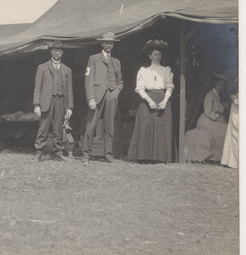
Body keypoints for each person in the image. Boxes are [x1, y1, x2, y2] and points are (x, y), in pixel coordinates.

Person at [127, 39, 174, 162]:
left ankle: (162, 158)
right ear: (150, 56)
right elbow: (140, 88)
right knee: (145, 126)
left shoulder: (166, 70)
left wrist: (164, 101)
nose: (157, 57)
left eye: (159, 54)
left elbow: (169, 86)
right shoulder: (144, 71)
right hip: (147, 101)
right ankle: (144, 157)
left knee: (161, 127)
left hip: (163, 100)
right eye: (155, 54)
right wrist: (149, 101)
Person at [81, 32, 123, 165]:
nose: (109, 45)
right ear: (102, 43)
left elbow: (120, 80)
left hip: (111, 97)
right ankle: (86, 154)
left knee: (109, 127)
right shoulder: (93, 59)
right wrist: (91, 98)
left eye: (111, 43)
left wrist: (116, 91)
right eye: (107, 42)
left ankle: (108, 155)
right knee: (90, 126)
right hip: (96, 96)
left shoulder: (116, 62)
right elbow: (88, 79)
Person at [33, 40, 73, 162]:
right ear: (51, 51)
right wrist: (36, 105)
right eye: (55, 50)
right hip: (46, 101)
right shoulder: (42, 67)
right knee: (43, 128)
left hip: (61, 102)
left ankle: (59, 152)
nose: (57, 52)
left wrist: (70, 107)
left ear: (62, 52)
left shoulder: (67, 70)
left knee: (58, 128)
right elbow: (37, 87)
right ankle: (39, 153)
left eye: (59, 50)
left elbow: (69, 91)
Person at [185, 74, 228, 162]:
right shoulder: (210, 94)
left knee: (226, 128)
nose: (221, 87)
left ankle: (224, 156)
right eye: (220, 85)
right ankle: (218, 156)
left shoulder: (217, 95)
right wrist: (218, 118)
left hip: (214, 120)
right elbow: (208, 111)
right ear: (215, 84)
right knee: (223, 130)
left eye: (223, 85)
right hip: (207, 120)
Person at [221, 86, 239, 168]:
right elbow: (231, 93)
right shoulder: (234, 87)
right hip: (236, 111)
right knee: (234, 135)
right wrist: (235, 99)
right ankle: (233, 162)